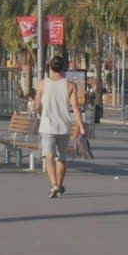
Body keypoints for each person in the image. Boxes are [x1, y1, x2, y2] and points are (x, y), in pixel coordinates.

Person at [33, 54, 82, 199]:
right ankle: (59, 185)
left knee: (49, 157)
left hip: (47, 126)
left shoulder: (42, 84)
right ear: (63, 68)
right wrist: (81, 126)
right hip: (64, 127)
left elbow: (37, 106)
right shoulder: (71, 85)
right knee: (62, 158)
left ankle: (54, 184)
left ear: (50, 67)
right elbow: (75, 107)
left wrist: (41, 112)